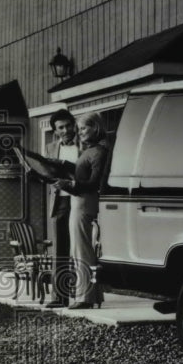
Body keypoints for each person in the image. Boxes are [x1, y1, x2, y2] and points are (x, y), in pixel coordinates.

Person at [55, 112, 110, 310]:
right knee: (79, 251)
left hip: (85, 203)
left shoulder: (99, 152)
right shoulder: (89, 151)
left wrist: (69, 184)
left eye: (84, 128)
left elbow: (94, 183)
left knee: (82, 251)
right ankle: (90, 296)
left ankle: (86, 298)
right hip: (78, 202)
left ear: (95, 127)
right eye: (79, 129)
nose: (80, 132)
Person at [44, 109, 78, 307]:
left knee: (83, 248)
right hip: (60, 201)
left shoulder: (86, 145)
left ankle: (85, 296)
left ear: (74, 125)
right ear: (55, 131)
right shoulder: (50, 148)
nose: (66, 130)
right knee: (60, 249)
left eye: (68, 125)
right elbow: (46, 172)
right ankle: (59, 297)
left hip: (82, 200)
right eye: (61, 128)